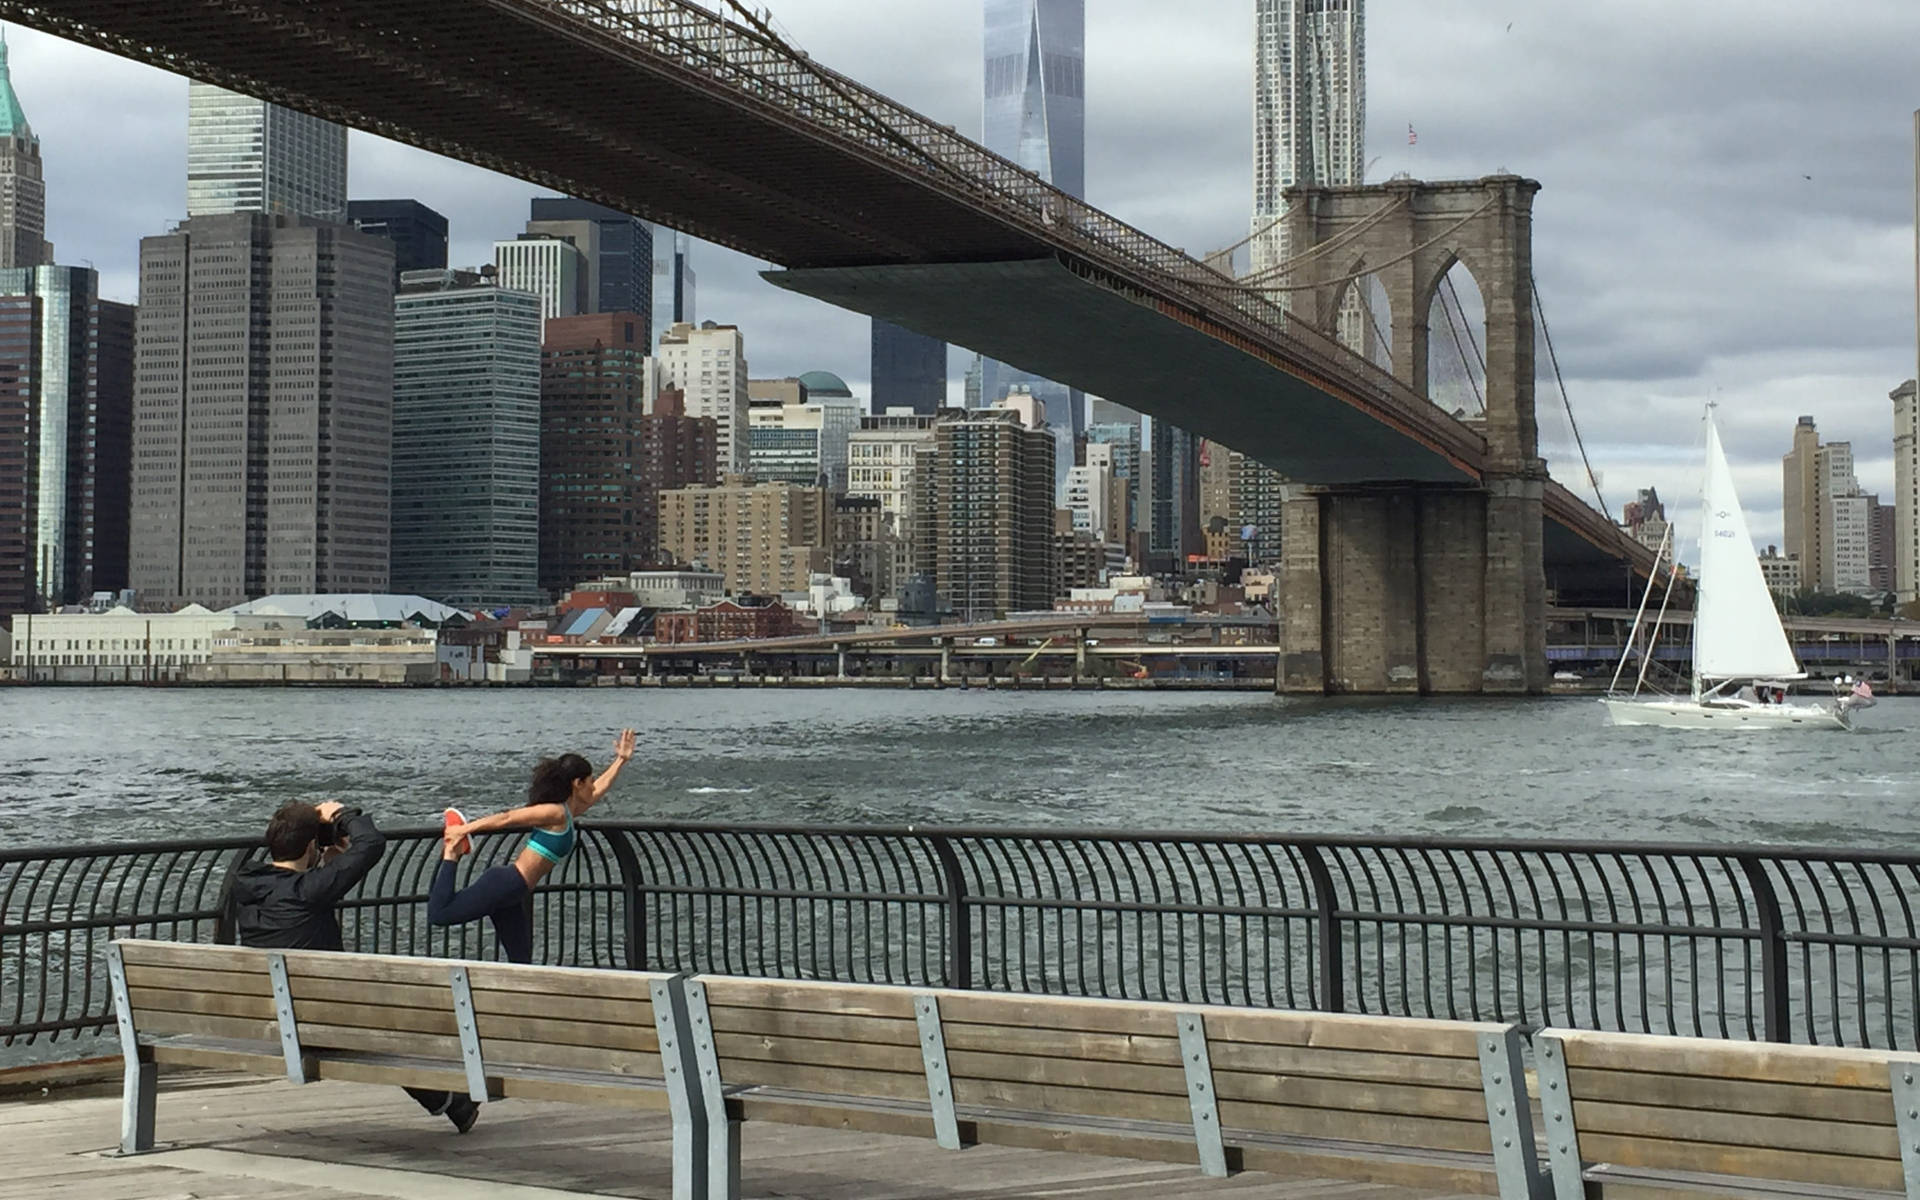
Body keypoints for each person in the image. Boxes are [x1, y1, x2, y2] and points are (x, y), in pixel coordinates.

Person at [230, 801, 478, 1133]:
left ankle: (452, 1102)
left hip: (272, 1016)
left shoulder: (246, 885)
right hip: (324, 1023)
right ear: (310, 846)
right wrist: (342, 815)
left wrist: (326, 859)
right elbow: (372, 844)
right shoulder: (308, 890)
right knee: (396, 1012)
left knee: (378, 1020)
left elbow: (294, 899)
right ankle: (455, 1098)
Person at [429, 730, 636, 964]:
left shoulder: (567, 812)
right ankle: (452, 854)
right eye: (589, 782)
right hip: (506, 883)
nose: (593, 787)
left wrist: (621, 760)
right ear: (577, 784)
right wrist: (464, 830)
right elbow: (507, 818)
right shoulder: (554, 811)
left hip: (514, 892)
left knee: (521, 961)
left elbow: (599, 790)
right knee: (440, 914)